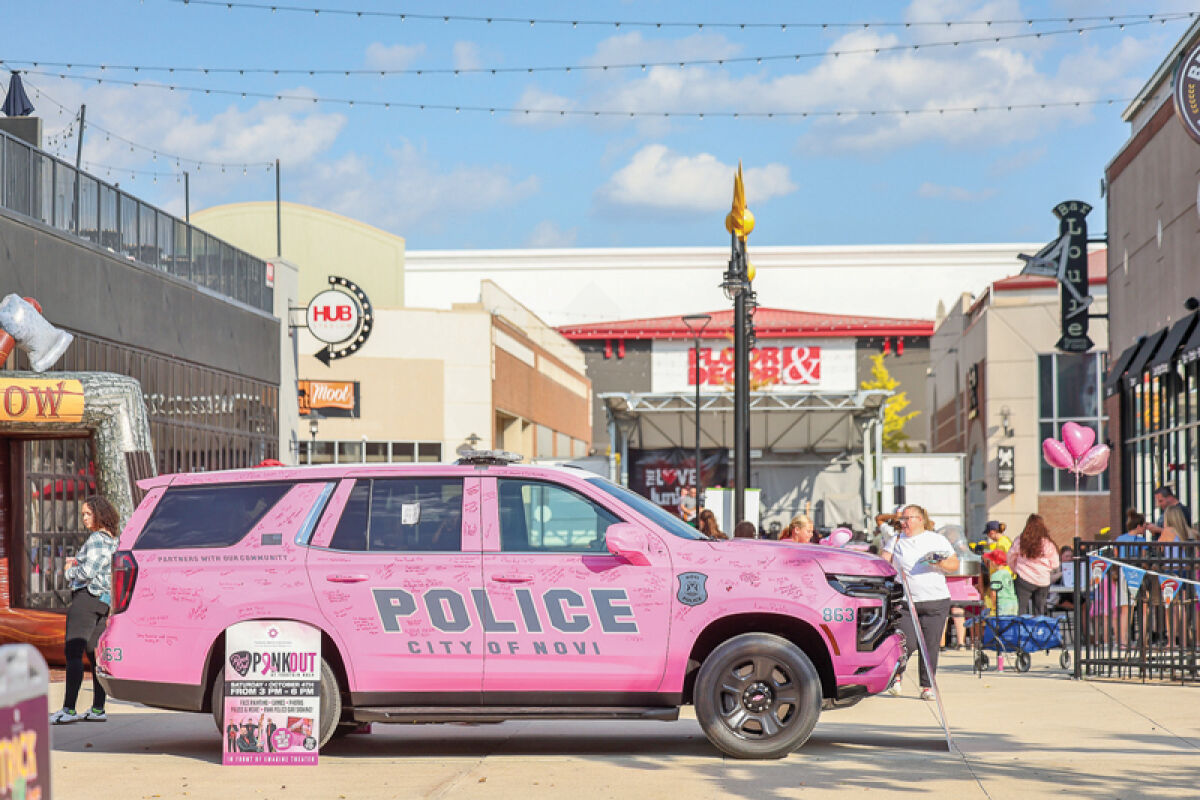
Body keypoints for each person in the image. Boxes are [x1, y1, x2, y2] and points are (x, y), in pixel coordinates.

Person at [49, 495, 121, 725]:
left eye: (88, 514)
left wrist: (69, 570)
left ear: (100, 514)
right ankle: (98, 708)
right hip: (103, 602)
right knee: (93, 655)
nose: (85, 518)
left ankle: (68, 709)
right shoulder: (114, 540)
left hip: (86, 599)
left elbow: (87, 572)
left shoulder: (97, 539)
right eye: (83, 514)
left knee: (73, 652)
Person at [881, 504, 958, 702]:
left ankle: (927, 686)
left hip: (935, 600)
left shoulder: (936, 539)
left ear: (920, 520)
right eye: (902, 519)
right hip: (906, 602)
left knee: (930, 645)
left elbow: (954, 564)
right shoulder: (896, 540)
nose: (903, 523)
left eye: (907, 519)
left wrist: (939, 563)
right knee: (906, 642)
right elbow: (883, 564)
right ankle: (897, 676)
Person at [1006, 514, 1061, 617]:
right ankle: (1039, 627)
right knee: (1040, 610)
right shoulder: (1048, 543)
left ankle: (1022, 627)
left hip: (1024, 577)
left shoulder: (1021, 540)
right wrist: (1045, 569)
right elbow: (1055, 563)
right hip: (1043, 580)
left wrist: (1014, 569)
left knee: (1021, 609)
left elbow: (1010, 556)